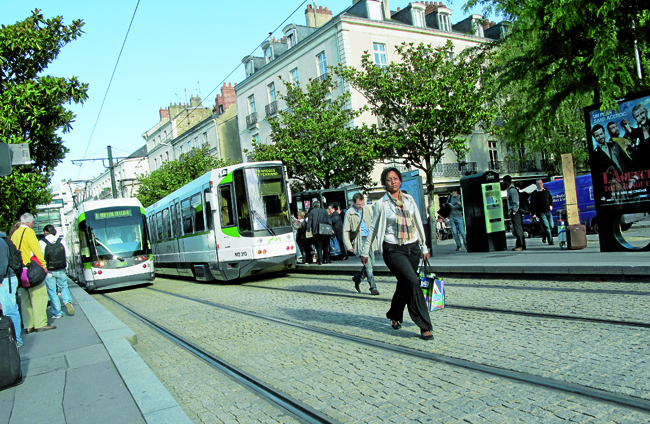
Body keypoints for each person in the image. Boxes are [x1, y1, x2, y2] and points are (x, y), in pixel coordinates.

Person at [360, 167, 433, 340]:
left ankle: (394, 314)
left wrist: (424, 247)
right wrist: (365, 251)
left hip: (412, 247)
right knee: (413, 281)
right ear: (385, 183)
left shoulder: (409, 199)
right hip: (393, 249)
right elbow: (373, 229)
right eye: (388, 179)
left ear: (400, 180)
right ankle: (424, 325)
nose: (392, 182)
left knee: (404, 283)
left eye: (395, 178)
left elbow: (417, 223)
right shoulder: (381, 204)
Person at [11, 213, 56, 333]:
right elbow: (37, 250)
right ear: (30, 222)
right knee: (39, 296)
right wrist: (44, 265)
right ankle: (40, 323)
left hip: (19, 271)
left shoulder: (15, 234)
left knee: (25, 298)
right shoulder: (29, 232)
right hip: (31, 270)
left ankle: (28, 325)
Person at [343, 193, 379, 295]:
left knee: (372, 264)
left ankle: (357, 278)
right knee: (368, 266)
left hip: (370, 239)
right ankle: (373, 287)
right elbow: (345, 231)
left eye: (362, 204)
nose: (360, 206)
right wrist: (348, 245)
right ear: (353, 203)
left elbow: (373, 222)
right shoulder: (349, 213)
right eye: (358, 204)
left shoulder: (366, 209)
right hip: (360, 240)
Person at [39, 225, 75, 319]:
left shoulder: (42, 242)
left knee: (52, 292)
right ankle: (67, 301)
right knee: (63, 287)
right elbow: (68, 254)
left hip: (49, 271)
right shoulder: (61, 240)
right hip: (61, 269)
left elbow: (40, 257)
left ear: (45, 232)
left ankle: (57, 313)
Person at [0, 231, 23, 347]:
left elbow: (2, 265)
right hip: (7, 279)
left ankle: (16, 340)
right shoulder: (4, 240)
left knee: (10, 310)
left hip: (5, 280)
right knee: (10, 309)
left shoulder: (0, 242)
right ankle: (15, 339)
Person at [503, 175, 526, 251]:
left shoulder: (512, 190)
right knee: (516, 229)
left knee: (518, 229)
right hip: (514, 211)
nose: (503, 183)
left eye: (504, 181)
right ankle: (520, 244)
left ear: (507, 181)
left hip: (515, 212)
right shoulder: (510, 190)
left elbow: (515, 202)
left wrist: (514, 212)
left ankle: (521, 245)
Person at [529, 180, 555, 245]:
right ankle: (551, 241)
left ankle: (544, 234)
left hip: (548, 211)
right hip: (540, 212)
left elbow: (550, 198)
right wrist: (533, 214)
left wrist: (551, 205)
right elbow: (532, 204)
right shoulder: (534, 193)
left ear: (542, 184)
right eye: (538, 184)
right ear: (536, 185)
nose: (539, 185)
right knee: (547, 227)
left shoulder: (546, 191)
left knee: (551, 225)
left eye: (540, 183)